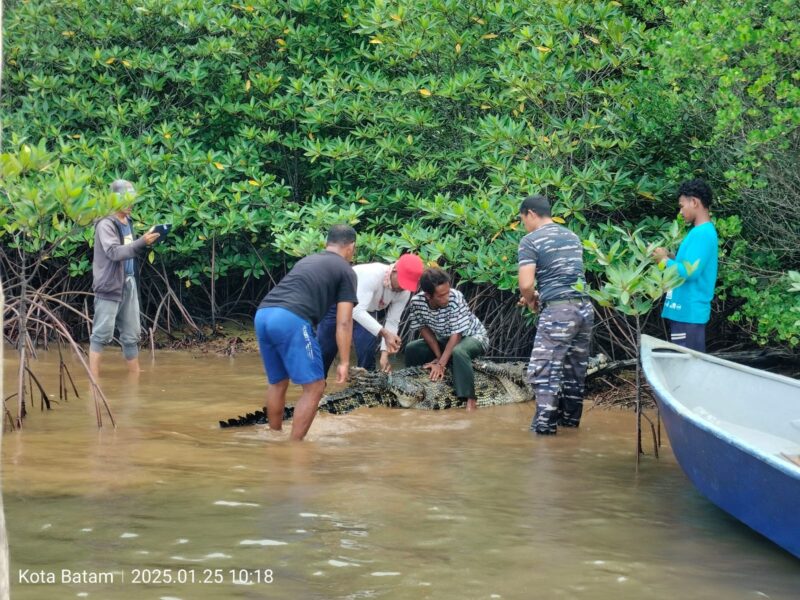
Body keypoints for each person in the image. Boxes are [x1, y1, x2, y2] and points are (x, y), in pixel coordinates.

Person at [254, 225, 358, 441]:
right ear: (351, 248)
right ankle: (295, 448)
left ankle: (274, 438)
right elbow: (344, 322)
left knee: (278, 382)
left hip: (263, 314)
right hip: (291, 319)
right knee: (315, 386)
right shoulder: (346, 270)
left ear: (326, 244)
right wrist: (345, 362)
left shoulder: (308, 260)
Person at [518, 194, 593, 435]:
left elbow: (526, 284)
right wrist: (541, 295)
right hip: (584, 309)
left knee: (544, 370)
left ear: (530, 213)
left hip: (558, 312)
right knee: (574, 371)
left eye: (522, 220)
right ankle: (570, 427)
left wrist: (530, 300)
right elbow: (566, 278)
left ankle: (544, 430)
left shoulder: (530, 241)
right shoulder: (572, 236)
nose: (523, 225)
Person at [89, 180, 160, 378]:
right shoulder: (105, 223)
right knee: (101, 335)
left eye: (132, 199)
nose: (130, 204)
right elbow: (113, 252)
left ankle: (135, 377)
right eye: (126, 200)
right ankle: (94, 381)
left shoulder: (127, 221)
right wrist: (141, 242)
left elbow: (130, 249)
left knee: (131, 335)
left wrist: (147, 240)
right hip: (109, 286)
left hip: (128, 282)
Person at [318, 254, 424, 374]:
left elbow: (393, 321)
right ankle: (317, 387)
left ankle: (364, 388)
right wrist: (385, 333)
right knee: (325, 350)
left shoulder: (404, 291)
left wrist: (385, 354)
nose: (402, 288)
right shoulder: (372, 274)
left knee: (367, 351)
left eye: (407, 285)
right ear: (394, 270)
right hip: (338, 303)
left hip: (366, 309)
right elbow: (356, 311)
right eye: (402, 282)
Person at [405, 268, 488, 411]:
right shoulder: (416, 302)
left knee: (459, 351)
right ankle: (413, 386)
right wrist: (438, 357)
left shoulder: (456, 297)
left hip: (473, 336)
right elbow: (423, 329)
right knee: (412, 348)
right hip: (445, 339)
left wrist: (441, 364)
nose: (447, 298)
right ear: (428, 295)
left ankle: (470, 400)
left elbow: (457, 335)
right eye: (441, 296)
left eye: (447, 292)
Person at [653, 179, 718, 352]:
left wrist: (664, 261)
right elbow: (686, 266)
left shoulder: (702, 233)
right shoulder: (699, 232)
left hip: (688, 314)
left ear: (694, 202)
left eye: (682, 206)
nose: (680, 212)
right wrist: (670, 257)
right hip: (685, 313)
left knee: (689, 370)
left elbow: (690, 273)